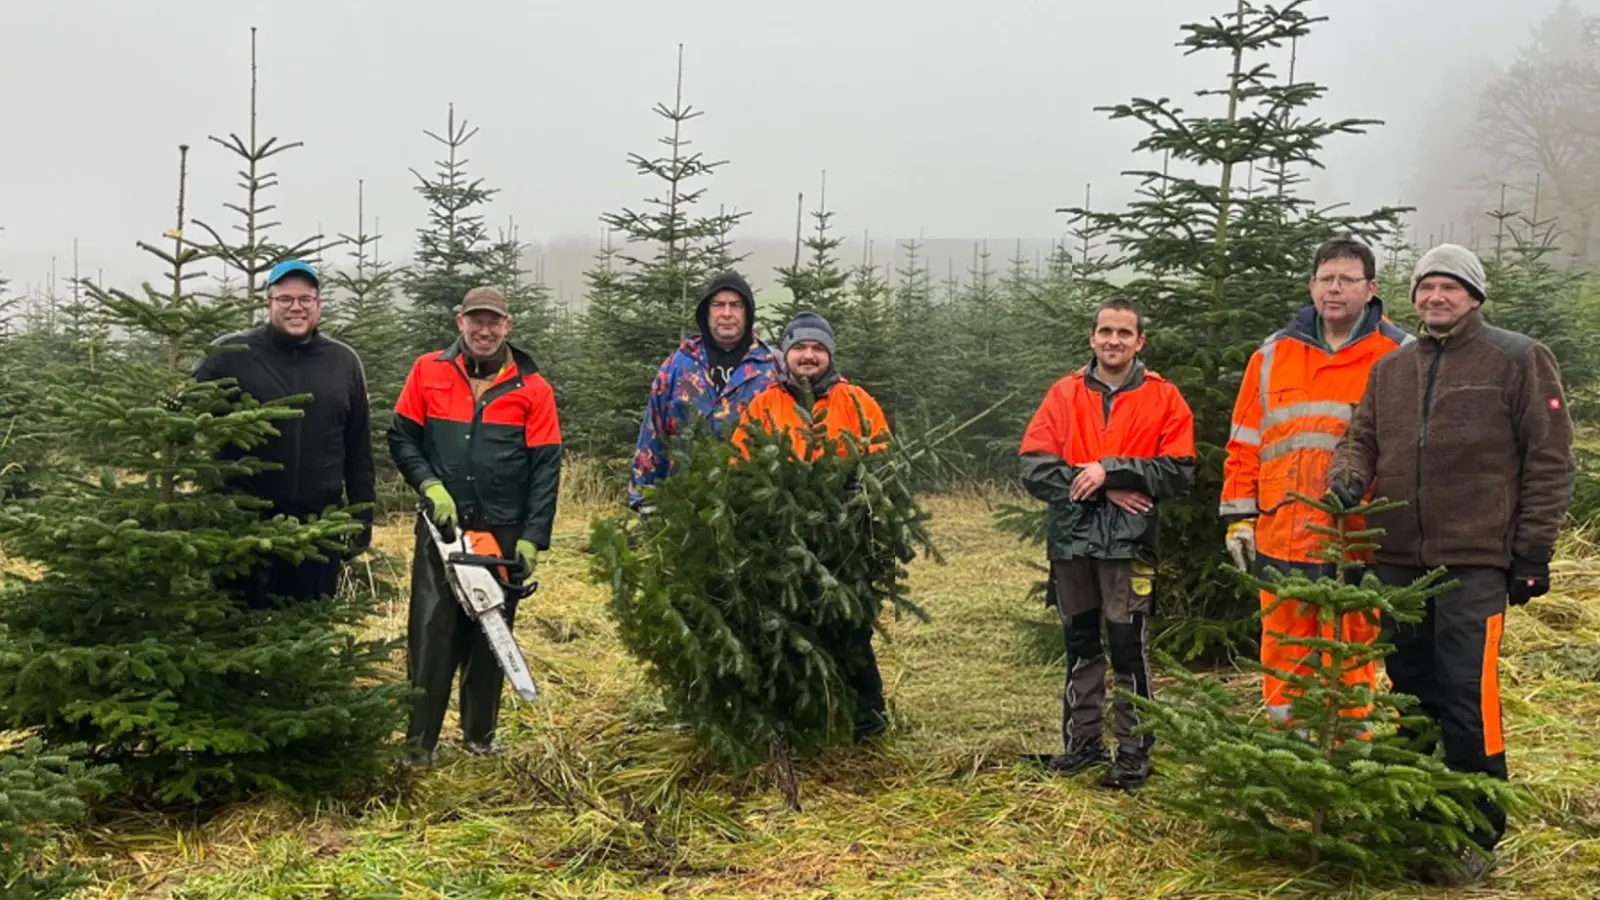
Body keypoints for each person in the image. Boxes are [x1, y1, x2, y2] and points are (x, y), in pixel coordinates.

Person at [1328, 243, 1575, 885]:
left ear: (1475, 296)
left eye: (1451, 287)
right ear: (1413, 296)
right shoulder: (1393, 368)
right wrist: (1347, 480)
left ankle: (1476, 830)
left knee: (1468, 696)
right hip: (1400, 558)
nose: (1437, 297)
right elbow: (1363, 437)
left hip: (1476, 562)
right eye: (1427, 287)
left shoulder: (1517, 358)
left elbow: (1549, 460)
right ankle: (1416, 815)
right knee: (1411, 690)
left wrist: (1533, 552)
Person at [1218, 236, 1413, 728]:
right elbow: (1244, 442)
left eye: (1347, 280)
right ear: (1311, 285)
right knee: (1283, 653)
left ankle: (1345, 760)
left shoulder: (1399, 355)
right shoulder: (1272, 355)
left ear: (1371, 288)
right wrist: (1240, 520)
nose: (1335, 289)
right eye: (1326, 279)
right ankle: (1290, 758)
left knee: (1350, 655)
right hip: (1281, 533)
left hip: (1357, 539)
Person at [1018, 298, 1196, 789]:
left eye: (1123, 333)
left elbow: (1179, 469)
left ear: (1140, 341)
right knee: (1079, 644)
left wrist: (1113, 470)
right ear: (1092, 338)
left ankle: (1134, 754)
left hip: (1129, 545)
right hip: (1072, 542)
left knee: (1127, 648)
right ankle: (1083, 744)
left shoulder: (1165, 398)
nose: (1113, 340)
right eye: (1105, 332)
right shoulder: (1064, 394)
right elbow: (1034, 465)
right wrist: (1100, 482)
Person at [388, 285, 563, 763]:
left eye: (494, 322)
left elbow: (547, 466)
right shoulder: (429, 371)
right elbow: (402, 439)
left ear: (508, 326)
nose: (484, 330)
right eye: (475, 320)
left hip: (502, 528)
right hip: (443, 525)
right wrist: (429, 485)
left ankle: (479, 738)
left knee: (492, 635)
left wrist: (532, 537)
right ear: (459, 321)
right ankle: (419, 745)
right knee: (431, 633)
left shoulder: (533, 388)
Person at [732, 312, 891, 739]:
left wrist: (855, 501)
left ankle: (868, 725)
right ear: (785, 354)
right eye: (799, 348)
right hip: (781, 542)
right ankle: (793, 723)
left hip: (843, 542)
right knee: (784, 631)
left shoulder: (856, 401)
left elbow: (881, 463)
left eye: (817, 349)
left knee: (850, 632)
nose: (807, 356)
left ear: (829, 355)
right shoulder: (765, 404)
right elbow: (740, 467)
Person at [195, 258, 375, 607]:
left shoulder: (344, 361)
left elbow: (358, 447)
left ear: (318, 304)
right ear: (269, 303)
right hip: (243, 528)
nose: (296, 307)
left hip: (319, 528)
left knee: (309, 636)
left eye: (305, 299)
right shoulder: (230, 354)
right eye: (285, 299)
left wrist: (361, 517)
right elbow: (188, 414)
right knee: (237, 634)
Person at [630, 270, 778, 512]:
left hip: (752, 510)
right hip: (683, 510)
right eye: (719, 305)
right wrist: (644, 497)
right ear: (706, 312)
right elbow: (653, 433)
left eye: (736, 305)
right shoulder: (678, 366)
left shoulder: (771, 369)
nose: (727, 313)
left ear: (748, 313)